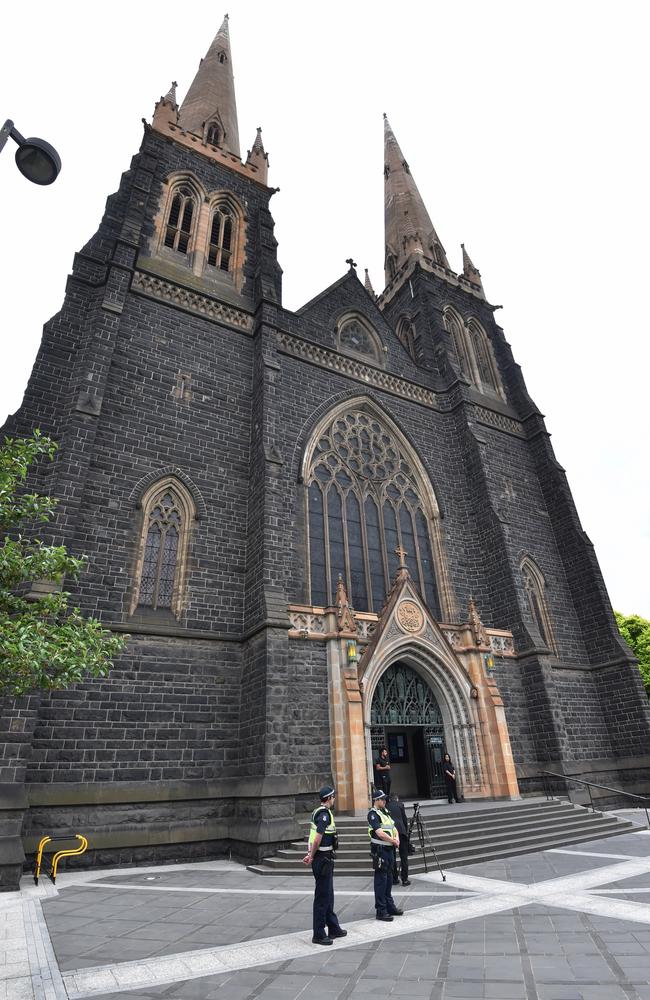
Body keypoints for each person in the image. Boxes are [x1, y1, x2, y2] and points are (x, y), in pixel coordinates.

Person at [303, 785, 348, 945]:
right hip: (322, 858)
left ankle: (333, 927)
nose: (334, 799)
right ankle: (319, 934)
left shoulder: (320, 812)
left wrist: (310, 854)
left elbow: (313, 836)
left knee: (328, 894)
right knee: (322, 897)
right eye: (333, 796)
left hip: (324, 858)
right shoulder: (323, 814)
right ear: (329, 798)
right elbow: (317, 838)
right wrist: (312, 856)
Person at [367, 788, 405, 921]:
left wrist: (397, 839)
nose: (385, 801)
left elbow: (393, 828)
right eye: (382, 799)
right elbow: (379, 832)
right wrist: (393, 841)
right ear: (376, 800)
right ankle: (381, 910)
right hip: (380, 849)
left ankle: (390, 906)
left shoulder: (385, 812)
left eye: (385, 799)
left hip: (389, 849)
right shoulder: (373, 814)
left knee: (389, 879)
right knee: (381, 881)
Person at [387, 794, 411, 885]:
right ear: (397, 799)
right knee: (403, 856)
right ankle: (404, 879)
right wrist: (406, 831)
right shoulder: (400, 804)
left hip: (391, 833)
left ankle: (394, 878)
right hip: (401, 832)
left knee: (392, 857)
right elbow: (404, 819)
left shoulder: (386, 806)